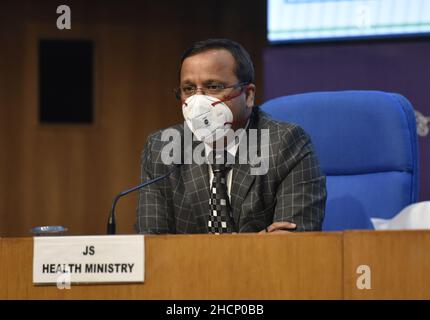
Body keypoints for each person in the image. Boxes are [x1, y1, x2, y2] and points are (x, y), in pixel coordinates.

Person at [136, 38, 326, 234]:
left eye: (214, 86)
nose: (198, 101)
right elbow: (150, 245)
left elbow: (292, 246)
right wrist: (256, 244)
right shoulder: (162, 149)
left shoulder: (286, 144)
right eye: (189, 89)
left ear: (249, 95)